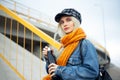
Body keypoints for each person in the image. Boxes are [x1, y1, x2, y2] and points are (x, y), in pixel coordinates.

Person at [42, 8, 99, 80]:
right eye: (62, 22)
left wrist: (59, 70)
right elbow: (51, 72)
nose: (65, 24)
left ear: (75, 22)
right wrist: (49, 58)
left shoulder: (85, 44)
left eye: (68, 20)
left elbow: (91, 72)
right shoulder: (63, 46)